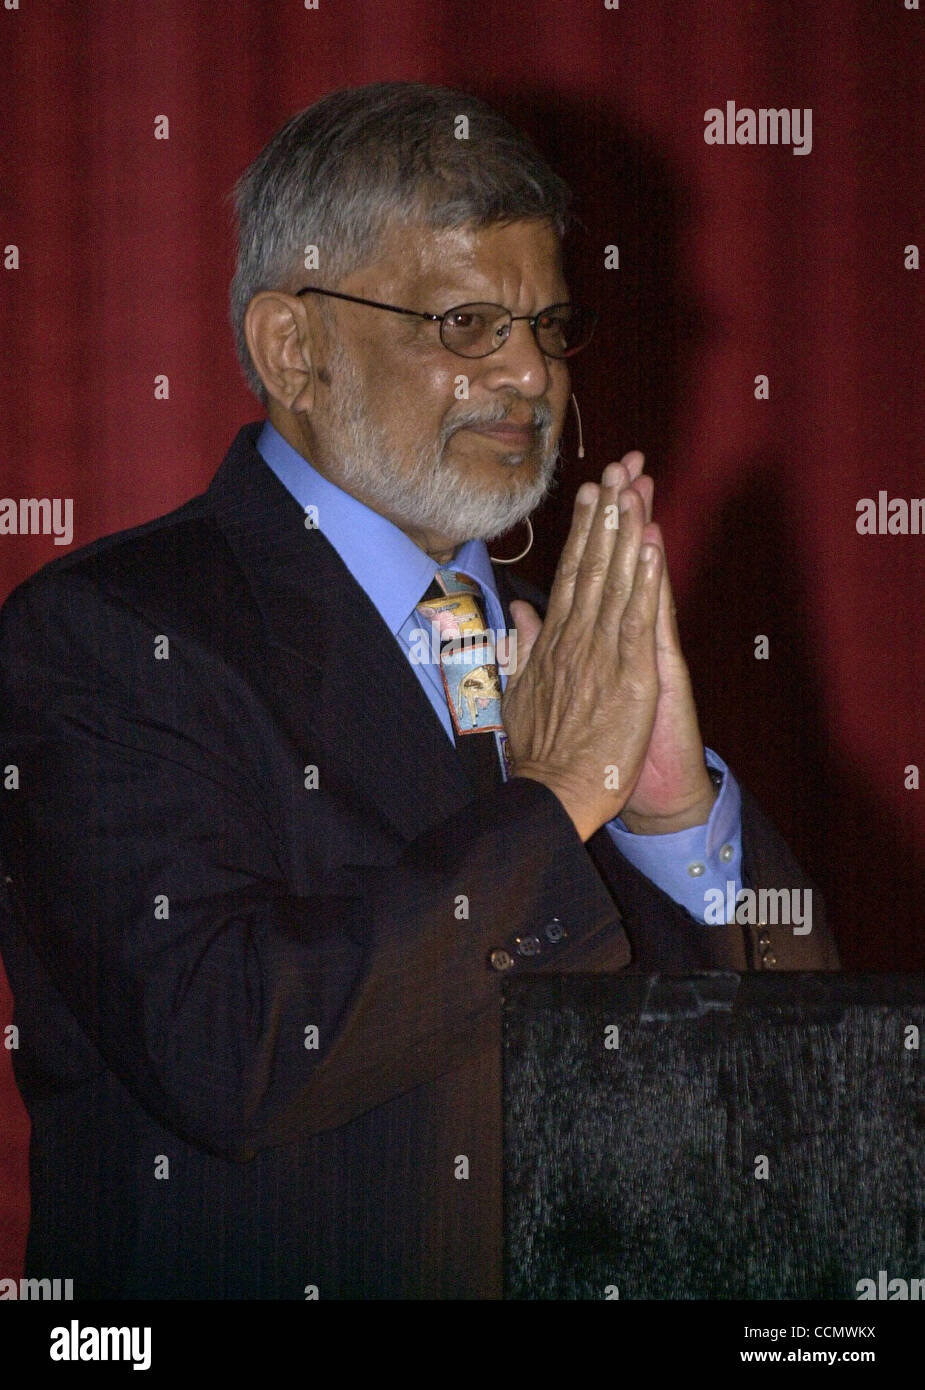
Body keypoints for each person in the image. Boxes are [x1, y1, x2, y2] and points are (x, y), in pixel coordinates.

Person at [0, 81, 838, 1301]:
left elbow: (798, 1102)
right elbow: (230, 1043)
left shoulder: (577, 660)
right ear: (293, 346)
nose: (531, 378)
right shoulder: (111, 634)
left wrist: (668, 821)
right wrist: (551, 805)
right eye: (466, 327)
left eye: (548, 328)